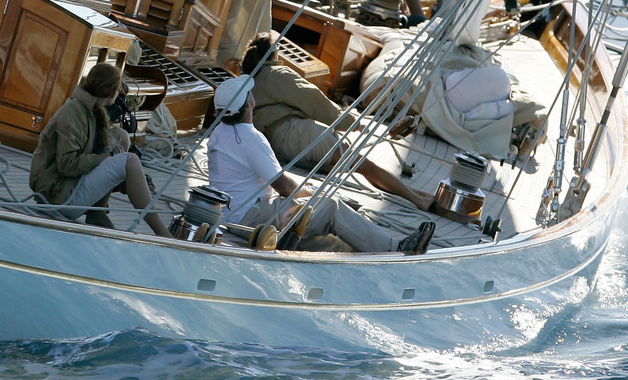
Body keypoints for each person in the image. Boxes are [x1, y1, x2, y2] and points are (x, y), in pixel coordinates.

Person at [205, 74, 435, 254]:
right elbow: (285, 187)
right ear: (248, 105)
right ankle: (394, 249)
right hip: (252, 217)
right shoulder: (250, 138)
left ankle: (355, 246)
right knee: (331, 206)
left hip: (235, 216)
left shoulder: (219, 133)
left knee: (331, 230)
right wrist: (315, 194)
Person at [242, 33, 435, 212]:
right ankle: (419, 200)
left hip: (278, 145)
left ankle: (416, 194)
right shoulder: (277, 73)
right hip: (296, 133)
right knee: (363, 165)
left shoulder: (248, 81)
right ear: (274, 54)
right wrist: (351, 122)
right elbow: (313, 100)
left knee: (358, 166)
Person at [29, 64, 174, 237]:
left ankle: (97, 212)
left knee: (121, 137)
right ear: (112, 93)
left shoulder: (89, 108)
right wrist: (106, 158)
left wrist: (123, 175)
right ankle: (163, 233)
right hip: (58, 197)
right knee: (130, 160)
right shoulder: (71, 115)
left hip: (67, 187)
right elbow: (67, 165)